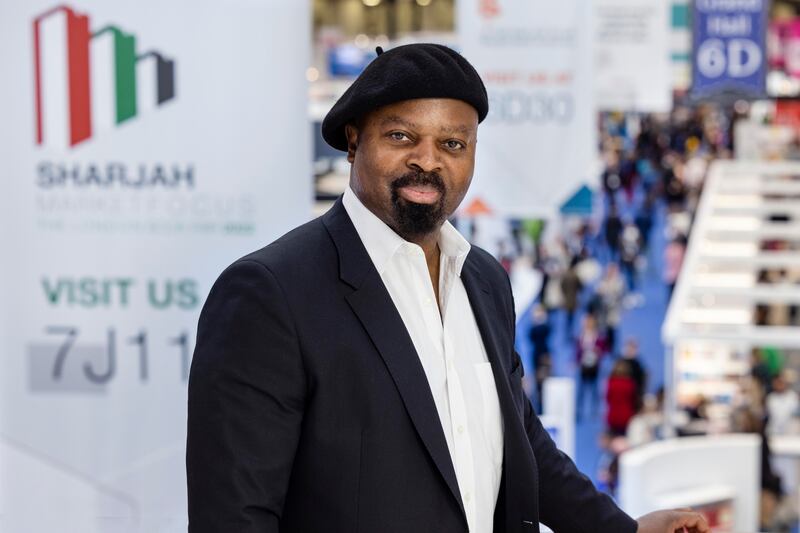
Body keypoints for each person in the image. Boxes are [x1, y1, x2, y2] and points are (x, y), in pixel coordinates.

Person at [186, 43, 708, 533]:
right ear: (352, 140)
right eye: (402, 137)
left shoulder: (483, 278)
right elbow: (235, 515)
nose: (429, 160)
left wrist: (624, 529)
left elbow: (517, 439)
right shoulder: (270, 293)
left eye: (452, 144)